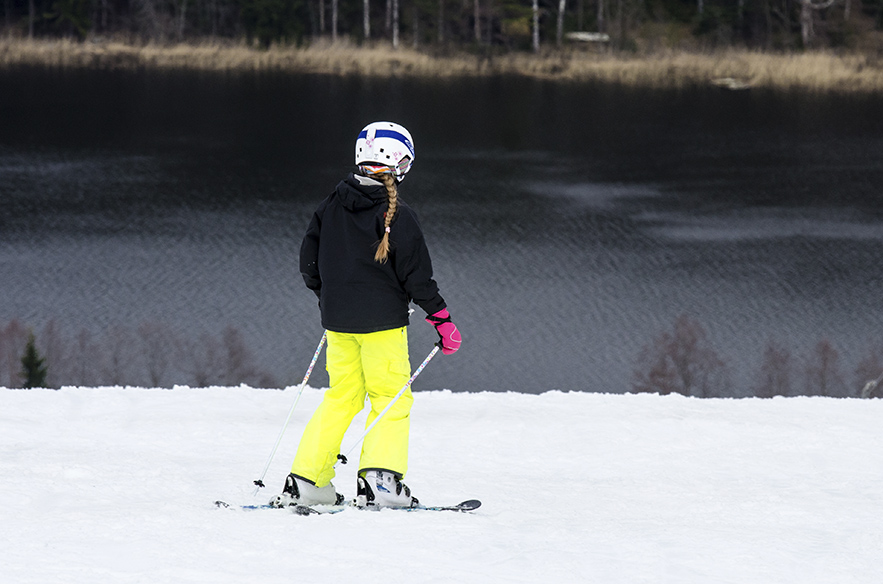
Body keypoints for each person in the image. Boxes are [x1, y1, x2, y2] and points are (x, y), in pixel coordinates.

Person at [270, 121, 461, 509]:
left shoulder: (330, 205)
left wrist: (331, 298)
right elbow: (416, 276)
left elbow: (309, 264)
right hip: (382, 326)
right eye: (405, 161)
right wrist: (442, 319)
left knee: (341, 397)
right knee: (391, 398)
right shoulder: (398, 215)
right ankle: (381, 483)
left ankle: (307, 480)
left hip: (338, 324)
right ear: (395, 163)